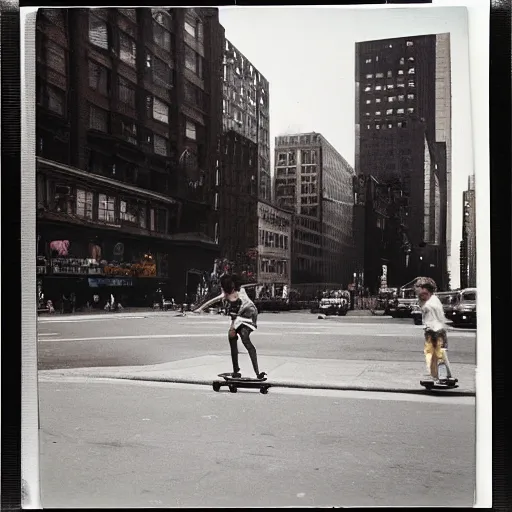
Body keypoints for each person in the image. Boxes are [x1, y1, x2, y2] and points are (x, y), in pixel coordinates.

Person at [219, 274, 266, 380]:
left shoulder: (241, 293)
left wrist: (233, 326)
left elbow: (247, 310)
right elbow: (233, 315)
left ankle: (257, 372)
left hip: (249, 316)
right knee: (231, 336)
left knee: (245, 337)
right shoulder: (226, 297)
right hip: (238, 318)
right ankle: (236, 370)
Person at [415, 277, 454, 383]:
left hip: (436, 331)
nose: (416, 290)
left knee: (439, 354)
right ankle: (438, 375)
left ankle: (442, 376)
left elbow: (437, 317)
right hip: (431, 331)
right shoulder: (428, 300)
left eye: (418, 287)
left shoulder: (431, 303)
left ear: (424, 289)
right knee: (433, 354)